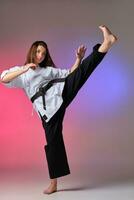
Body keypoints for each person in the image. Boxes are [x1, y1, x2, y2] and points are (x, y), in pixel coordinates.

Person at [0, 25, 117, 194]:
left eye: (44, 53)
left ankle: (106, 43)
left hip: (60, 95)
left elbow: (70, 73)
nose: (41, 55)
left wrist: (78, 59)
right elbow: (3, 78)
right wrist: (24, 68)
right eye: (38, 51)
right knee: (53, 145)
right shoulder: (22, 74)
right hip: (49, 114)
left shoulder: (47, 70)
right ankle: (54, 184)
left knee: (82, 72)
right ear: (32, 51)